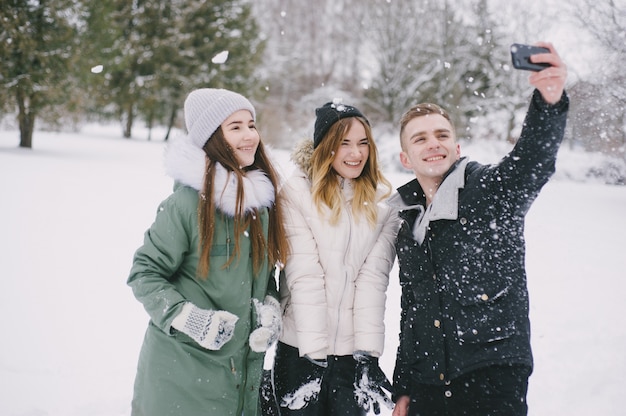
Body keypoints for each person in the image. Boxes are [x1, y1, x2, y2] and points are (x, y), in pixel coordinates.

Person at [389, 42, 569, 416]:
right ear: (406, 158)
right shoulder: (406, 220)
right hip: (428, 386)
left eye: (440, 135)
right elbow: (412, 311)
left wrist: (549, 103)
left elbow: (532, 160)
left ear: (456, 146)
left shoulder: (491, 191)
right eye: (420, 138)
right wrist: (404, 386)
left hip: (491, 378)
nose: (432, 144)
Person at [127, 88, 289, 416]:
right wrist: (189, 318)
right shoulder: (186, 205)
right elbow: (144, 273)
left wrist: (270, 304)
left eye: (251, 124)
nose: (249, 136)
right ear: (213, 138)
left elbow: (262, 275)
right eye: (235, 127)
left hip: (241, 380)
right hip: (181, 380)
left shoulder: (259, 208)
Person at [272, 99, 400, 416]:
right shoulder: (296, 193)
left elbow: (373, 281)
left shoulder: (383, 203)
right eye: (344, 143)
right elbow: (304, 276)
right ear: (325, 146)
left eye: (362, 143)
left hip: (351, 357)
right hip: (299, 349)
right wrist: (314, 358)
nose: (356, 154)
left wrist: (367, 355)